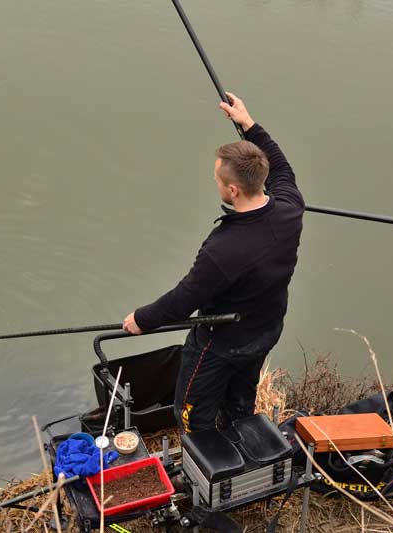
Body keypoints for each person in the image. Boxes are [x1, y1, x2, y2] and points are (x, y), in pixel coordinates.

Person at [122, 93, 304, 433]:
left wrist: (141, 320)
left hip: (221, 343)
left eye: (218, 179)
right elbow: (282, 167)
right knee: (240, 398)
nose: (215, 182)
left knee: (191, 413)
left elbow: (184, 300)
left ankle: (207, 462)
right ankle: (241, 437)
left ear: (233, 190)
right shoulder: (290, 208)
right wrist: (248, 125)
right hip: (266, 329)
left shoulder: (224, 250)